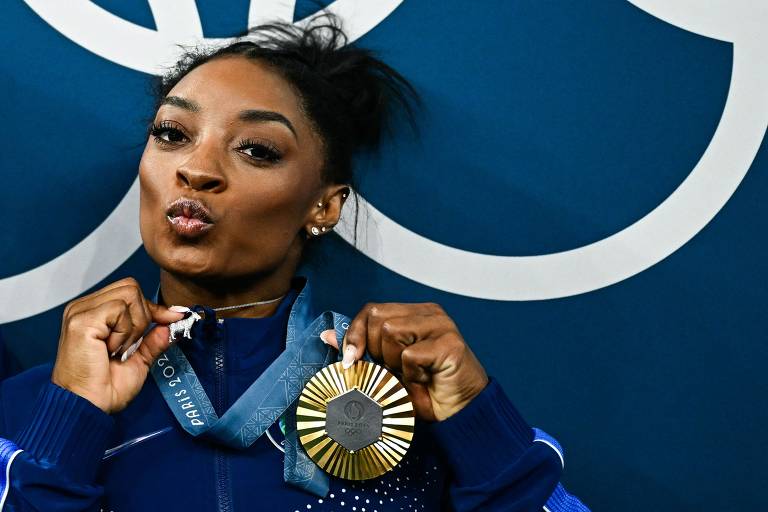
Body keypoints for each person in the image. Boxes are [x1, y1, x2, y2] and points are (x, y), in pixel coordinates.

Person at [0, 17, 588, 512]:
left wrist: (481, 428)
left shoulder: (409, 404)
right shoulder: (31, 408)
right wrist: (66, 424)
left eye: (257, 149)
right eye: (173, 133)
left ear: (324, 206)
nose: (196, 169)